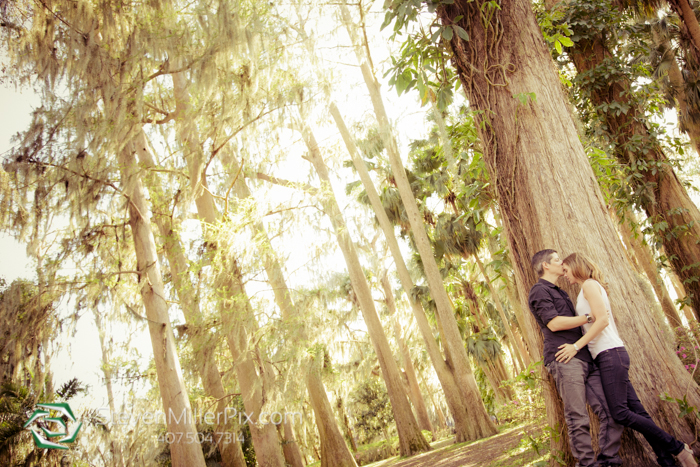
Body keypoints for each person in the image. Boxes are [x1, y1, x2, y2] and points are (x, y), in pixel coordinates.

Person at [556, 252, 698, 467]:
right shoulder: (587, 288)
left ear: (575, 267)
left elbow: (602, 320)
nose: (564, 275)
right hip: (608, 356)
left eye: (565, 270)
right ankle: (665, 459)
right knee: (637, 411)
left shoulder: (589, 286)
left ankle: (678, 448)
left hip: (610, 354)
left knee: (620, 413)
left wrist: (576, 346)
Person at [528, 249, 623, 467]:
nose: (562, 263)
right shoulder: (539, 291)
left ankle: (608, 460)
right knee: (578, 418)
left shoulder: (560, 291)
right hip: (564, 359)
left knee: (612, 411)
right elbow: (554, 323)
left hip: (585, 358)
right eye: (557, 260)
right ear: (546, 266)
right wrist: (590, 317)